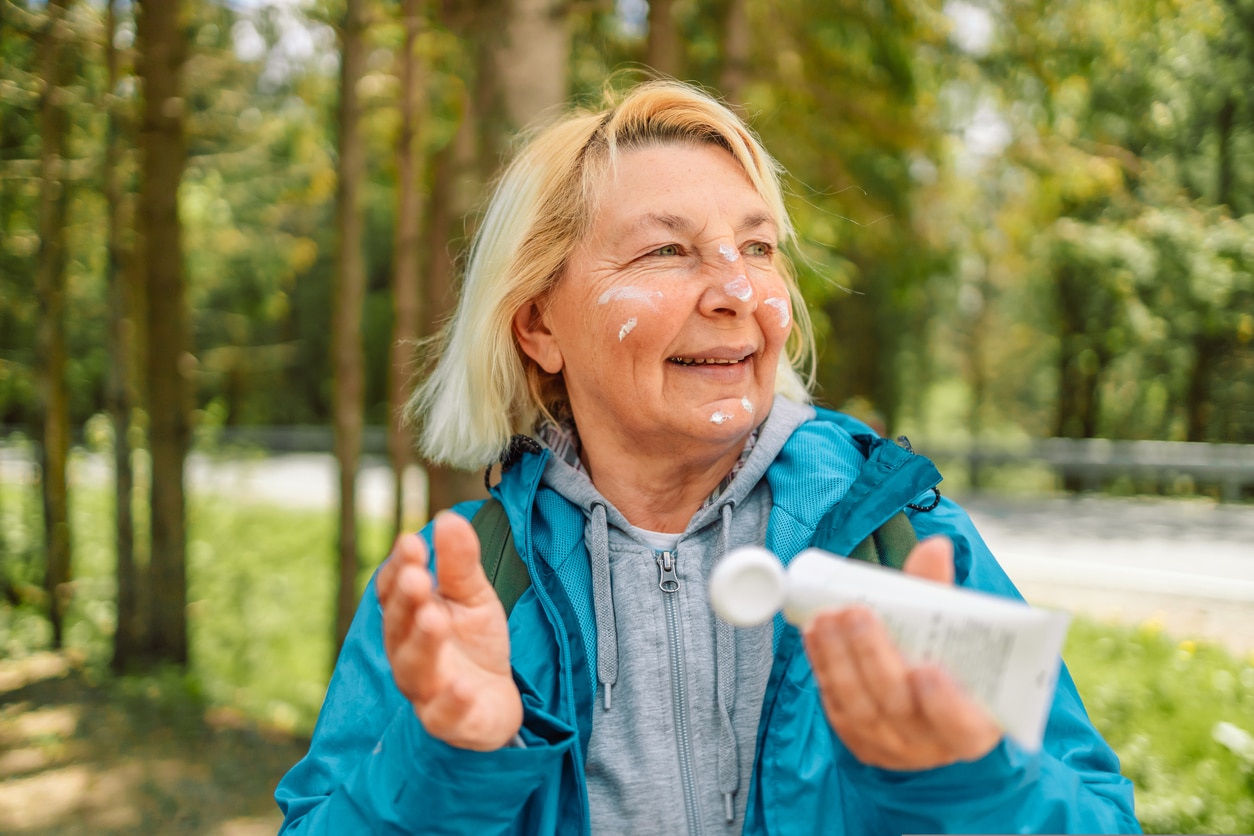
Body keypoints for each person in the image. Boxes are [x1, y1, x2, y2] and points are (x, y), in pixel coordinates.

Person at [275, 79, 1139, 834]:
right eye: (667, 250)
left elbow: (1099, 820)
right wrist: (447, 761)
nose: (739, 294)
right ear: (539, 324)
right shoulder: (459, 591)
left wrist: (974, 781)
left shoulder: (903, 543)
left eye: (757, 249)